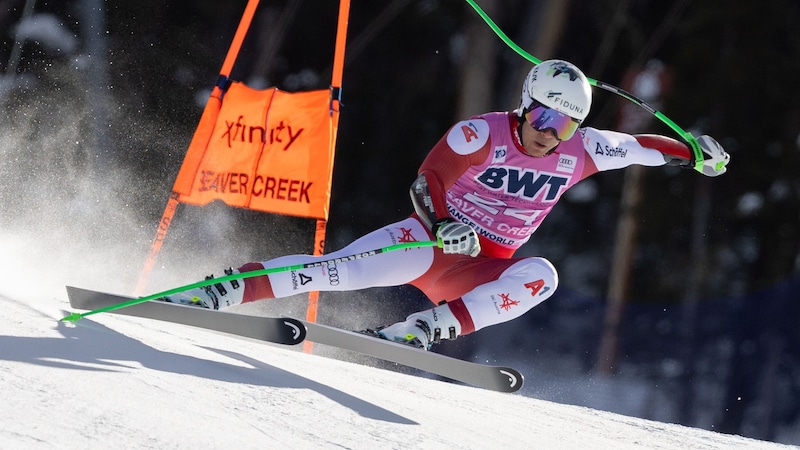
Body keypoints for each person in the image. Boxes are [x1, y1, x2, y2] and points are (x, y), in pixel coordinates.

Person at [163, 60, 730, 350]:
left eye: (565, 124)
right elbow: (426, 181)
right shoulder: (479, 134)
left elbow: (641, 148)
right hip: (430, 243)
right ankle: (222, 289)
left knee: (543, 276)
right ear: (525, 105)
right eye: (543, 117)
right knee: (333, 273)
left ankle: (425, 329)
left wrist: (692, 151)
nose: (549, 133)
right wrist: (441, 223)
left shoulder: (581, 149)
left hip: (486, 266)